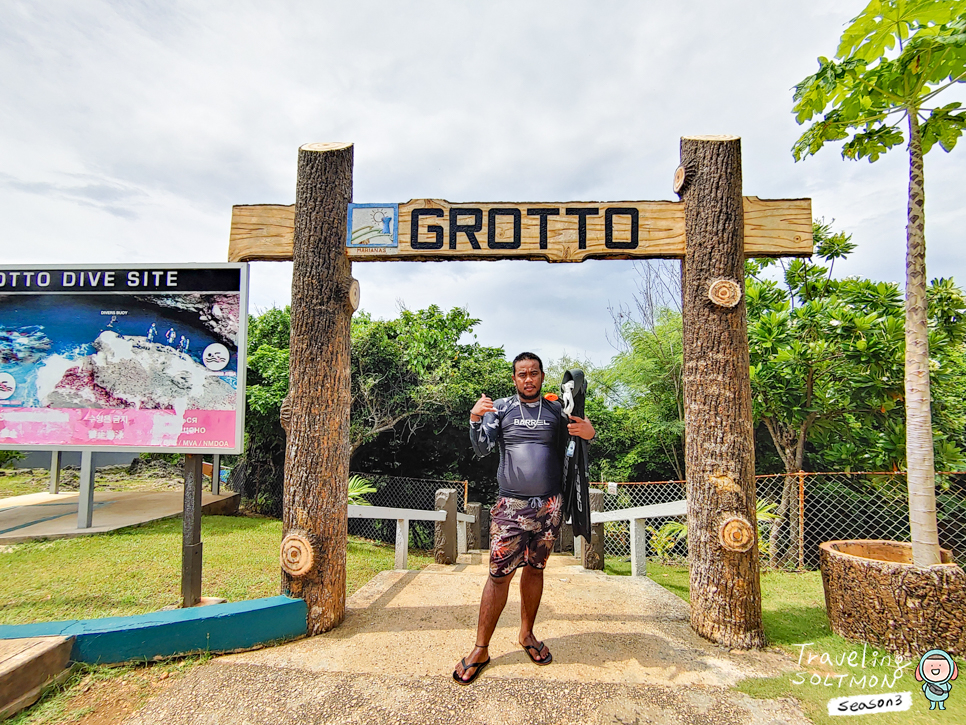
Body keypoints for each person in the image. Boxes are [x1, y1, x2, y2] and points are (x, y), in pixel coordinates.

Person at [453, 352, 595, 685]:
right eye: (521, 374)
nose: (528, 379)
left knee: (536, 569)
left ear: (543, 376)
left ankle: (527, 635)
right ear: (514, 378)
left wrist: (591, 433)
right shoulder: (500, 409)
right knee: (498, 576)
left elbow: (578, 441)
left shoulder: (557, 410)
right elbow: (482, 448)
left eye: (533, 373)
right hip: (510, 509)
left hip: (549, 507)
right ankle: (480, 648)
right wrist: (475, 420)